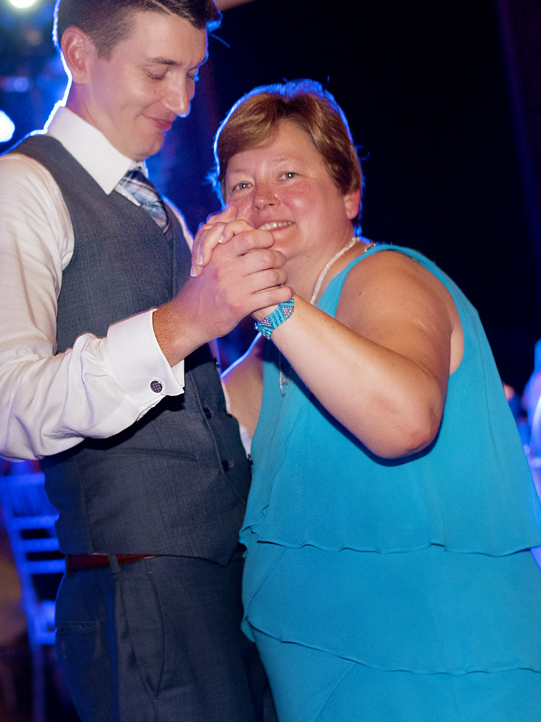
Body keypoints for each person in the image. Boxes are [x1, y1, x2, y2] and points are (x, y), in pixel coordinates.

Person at [0, 0, 287, 721]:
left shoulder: (156, 208)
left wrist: (272, 320)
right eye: (159, 70)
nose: (182, 96)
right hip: (142, 600)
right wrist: (188, 318)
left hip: (226, 582)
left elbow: (193, 417)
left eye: (193, 73)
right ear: (79, 54)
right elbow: (6, 407)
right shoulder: (17, 189)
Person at [196, 80, 541, 720]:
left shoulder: (383, 276)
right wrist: (202, 311)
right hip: (329, 691)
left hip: (440, 684)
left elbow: (406, 420)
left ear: (350, 193)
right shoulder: (277, 351)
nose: (261, 198)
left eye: (288, 173)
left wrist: (268, 302)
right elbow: (181, 460)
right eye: (240, 184)